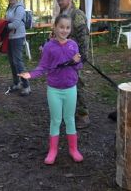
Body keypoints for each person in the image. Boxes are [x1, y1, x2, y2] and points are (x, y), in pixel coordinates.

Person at [19, 14, 84, 165]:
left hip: (70, 89)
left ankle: (73, 149)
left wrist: (77, 61)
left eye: (67, 27)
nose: (64, 30)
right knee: (55, 120)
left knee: (69, 119)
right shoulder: (49, 46)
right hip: (54, 90)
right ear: (55, 27)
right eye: (61, 27)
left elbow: (79, 66)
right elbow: (43, 67)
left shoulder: (73, 45)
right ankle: (52, 150)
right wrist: (30, 74)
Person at [55, 0, 91, 129]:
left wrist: (82, 56)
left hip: (75, 56)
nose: (59, 2)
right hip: (63, 56)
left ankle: (83, 115)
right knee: (66, 84)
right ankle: (70, 113)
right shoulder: (62, 13)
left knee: (78, 84)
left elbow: (83, 36)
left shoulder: (77, 14)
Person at [4, 0, 30, 96]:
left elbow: (15, 24)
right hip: (10, 37)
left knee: (18, 61)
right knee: (12, 61)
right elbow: (7, 20)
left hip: (18, 37)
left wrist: (5, 27)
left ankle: (26, 86)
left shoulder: (19, 8)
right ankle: (17, 83)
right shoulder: (9, 8)